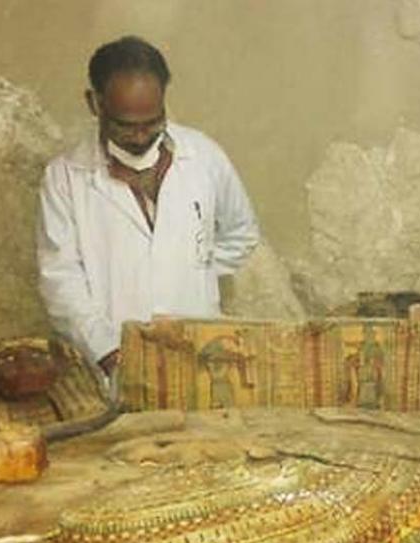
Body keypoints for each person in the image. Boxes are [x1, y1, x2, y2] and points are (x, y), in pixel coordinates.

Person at [37, 36, 259, 375]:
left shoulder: (204, 157)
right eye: (126, 126)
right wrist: (108, 350)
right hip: (116, 362)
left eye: (152, 122)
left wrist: (192, 271)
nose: (141, 137)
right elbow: (60, 280)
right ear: (95, 103)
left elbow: (241, 233)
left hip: (200, 354)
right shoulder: (65, 177)